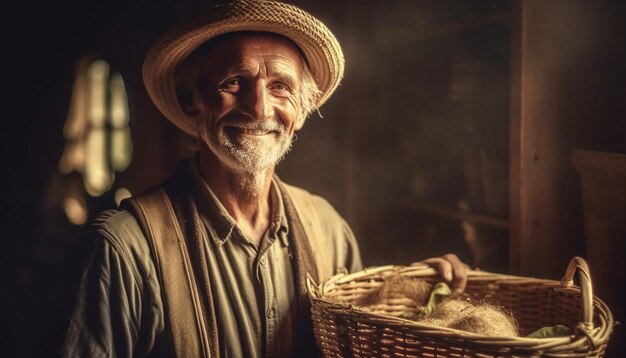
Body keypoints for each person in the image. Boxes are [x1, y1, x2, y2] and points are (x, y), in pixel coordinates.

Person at [38, 0, 468, 357]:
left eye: (280, 87)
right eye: (233, 82)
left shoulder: (329, 229)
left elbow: (357, 342)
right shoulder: (120, 248)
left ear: (300, 111)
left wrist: (417, 295)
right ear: (192, 102)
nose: (259, 108)